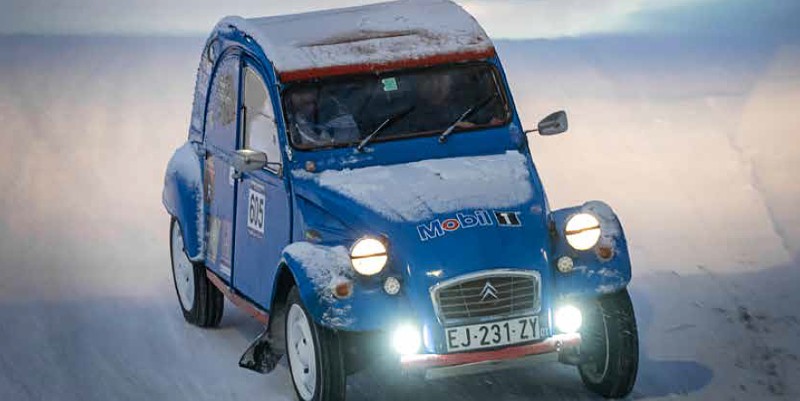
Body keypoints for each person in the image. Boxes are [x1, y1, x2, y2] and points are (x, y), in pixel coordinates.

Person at [288, 88, 359, 146]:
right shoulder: (292, 124)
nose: (312, 108)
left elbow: (354, 146)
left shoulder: (346, 121)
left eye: (314, 102)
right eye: (305, 104)